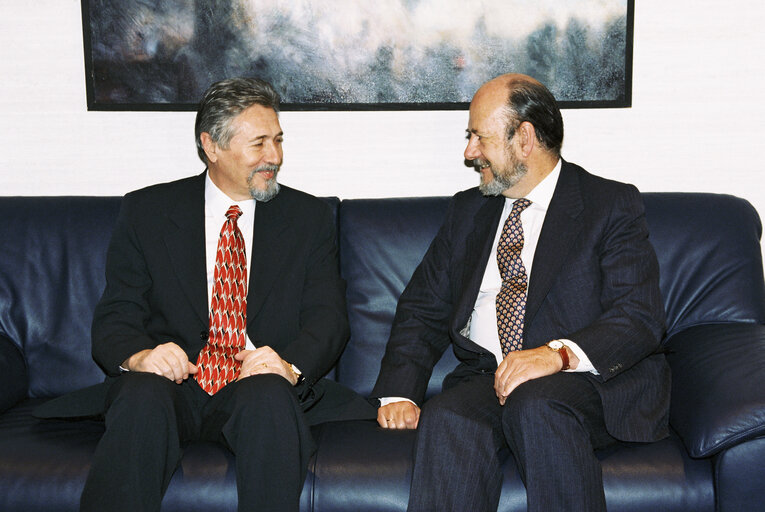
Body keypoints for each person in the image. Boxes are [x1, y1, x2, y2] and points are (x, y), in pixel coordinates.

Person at [37, 77, 375, 512]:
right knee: (141, 393)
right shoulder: (148, 212)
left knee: (270, 394)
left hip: (255, 389)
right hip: (172, 388)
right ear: (211, 146)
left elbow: (329, 317)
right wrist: (141, 357)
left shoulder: (308, 218)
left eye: (277, 140)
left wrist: (289, 365)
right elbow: (116, 314)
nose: (274, 157)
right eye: (258, 144)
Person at [371, 73, 670, 512]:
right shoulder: (467, 211)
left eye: (479, 137)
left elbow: (639, 316)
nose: (469, 152)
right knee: (449, 416)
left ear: (525, 139)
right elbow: (422, 307)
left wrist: (556, 354)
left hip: (583, 381)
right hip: (489, 377)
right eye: (469, 137)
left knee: (537, 404)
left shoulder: (608, 205)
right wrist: (401, 390)